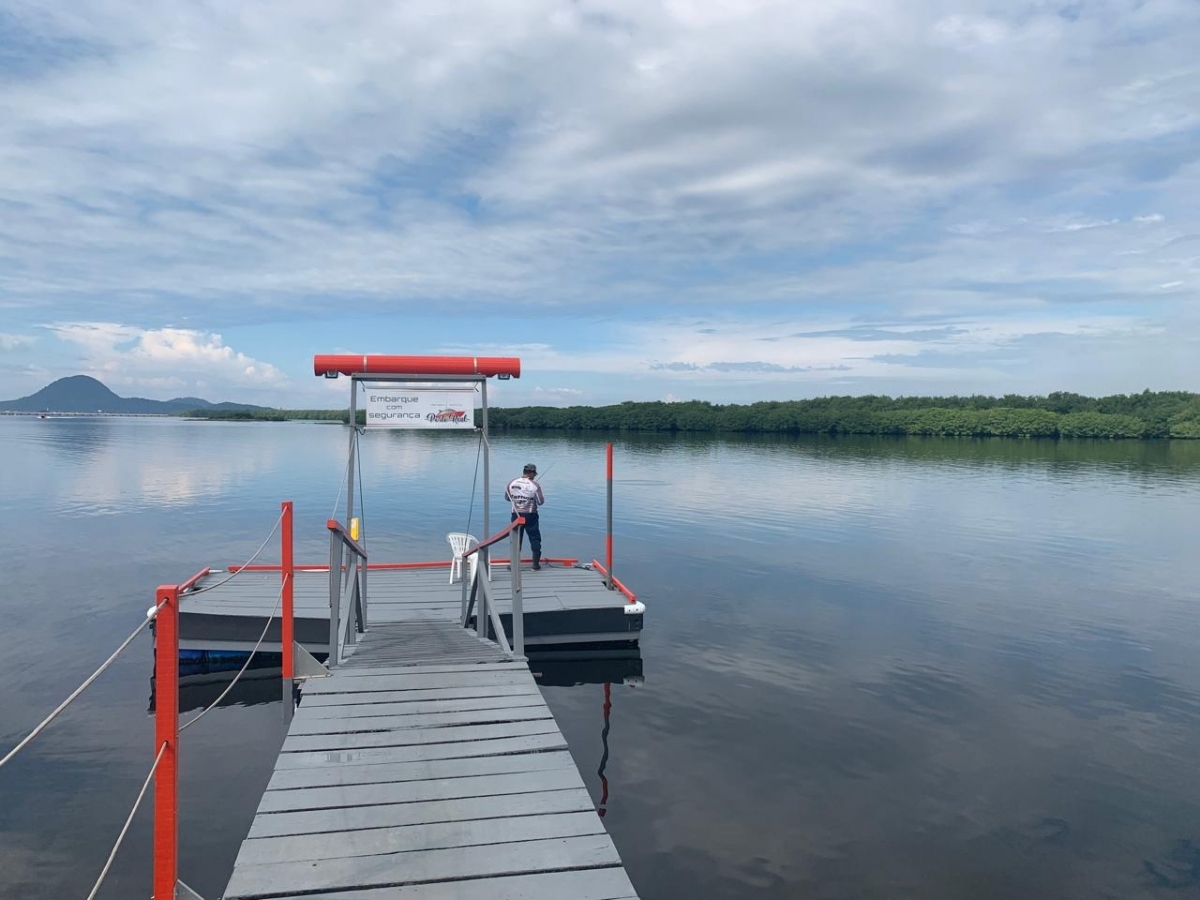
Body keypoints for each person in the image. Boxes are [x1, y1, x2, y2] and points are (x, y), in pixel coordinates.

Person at [505, 463, 545, 570]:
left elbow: (507, 498)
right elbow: (541, 502)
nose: (535, 476)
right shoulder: (535, 485)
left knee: (516, 539)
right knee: (535, 539)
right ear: (531, 473)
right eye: (534, 474)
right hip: (531, 515)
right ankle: (535, 565)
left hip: (516, 515)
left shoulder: (511, 483)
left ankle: (514, 564)